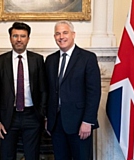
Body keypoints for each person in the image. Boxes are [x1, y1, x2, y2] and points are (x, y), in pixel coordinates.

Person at [45, 21, 101, 160]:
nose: (61, 37)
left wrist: (88, 121)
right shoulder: (50, 60)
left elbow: (94, 92)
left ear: (73, 34)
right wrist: (47, 118)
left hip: (80, 124)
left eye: (65, 32)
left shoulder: (88, 58)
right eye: (57, 34)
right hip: (56, 123)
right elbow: (48, 91)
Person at [0, 22, 47, 160]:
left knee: (32, 156)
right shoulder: (0, 61)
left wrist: (41, 114)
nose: (19, 39)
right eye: (15, 36)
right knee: (7, 155)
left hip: (32, 116)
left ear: (28, 38)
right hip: (8, 118)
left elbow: (43, 90)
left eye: (23, 36)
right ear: (10, 38)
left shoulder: (38, 59)